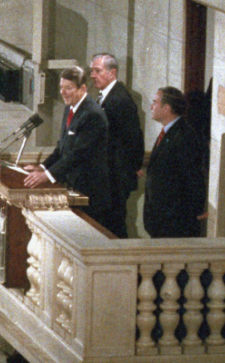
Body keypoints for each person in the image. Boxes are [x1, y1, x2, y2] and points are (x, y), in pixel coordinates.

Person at [24, 66, 111, 230]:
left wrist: (47, 175)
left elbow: (78, 154)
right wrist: (42, 166)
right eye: (61, 88)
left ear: (83, 88)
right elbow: (62, 147)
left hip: (89, 193)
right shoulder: (69, 108)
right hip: (72, 187)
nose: (63, 92)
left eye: (68, 88)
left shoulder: (92, 114)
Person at [90, 53, 144, 238]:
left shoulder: (119, 100)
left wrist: (133, 166)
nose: (92, 75)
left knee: (113, 226)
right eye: (92, 71)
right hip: (107, 177)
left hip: (115, 178)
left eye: (97, 71)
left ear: (112, 73)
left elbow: (133, 137)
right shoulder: (106, 97)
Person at [142, 86, 207, 239]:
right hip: (161, 221)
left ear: (166, 108)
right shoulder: (169, 132)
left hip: (174, 224)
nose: (151, 106)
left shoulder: (184, 136)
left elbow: (192, 179)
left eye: (155, 102)